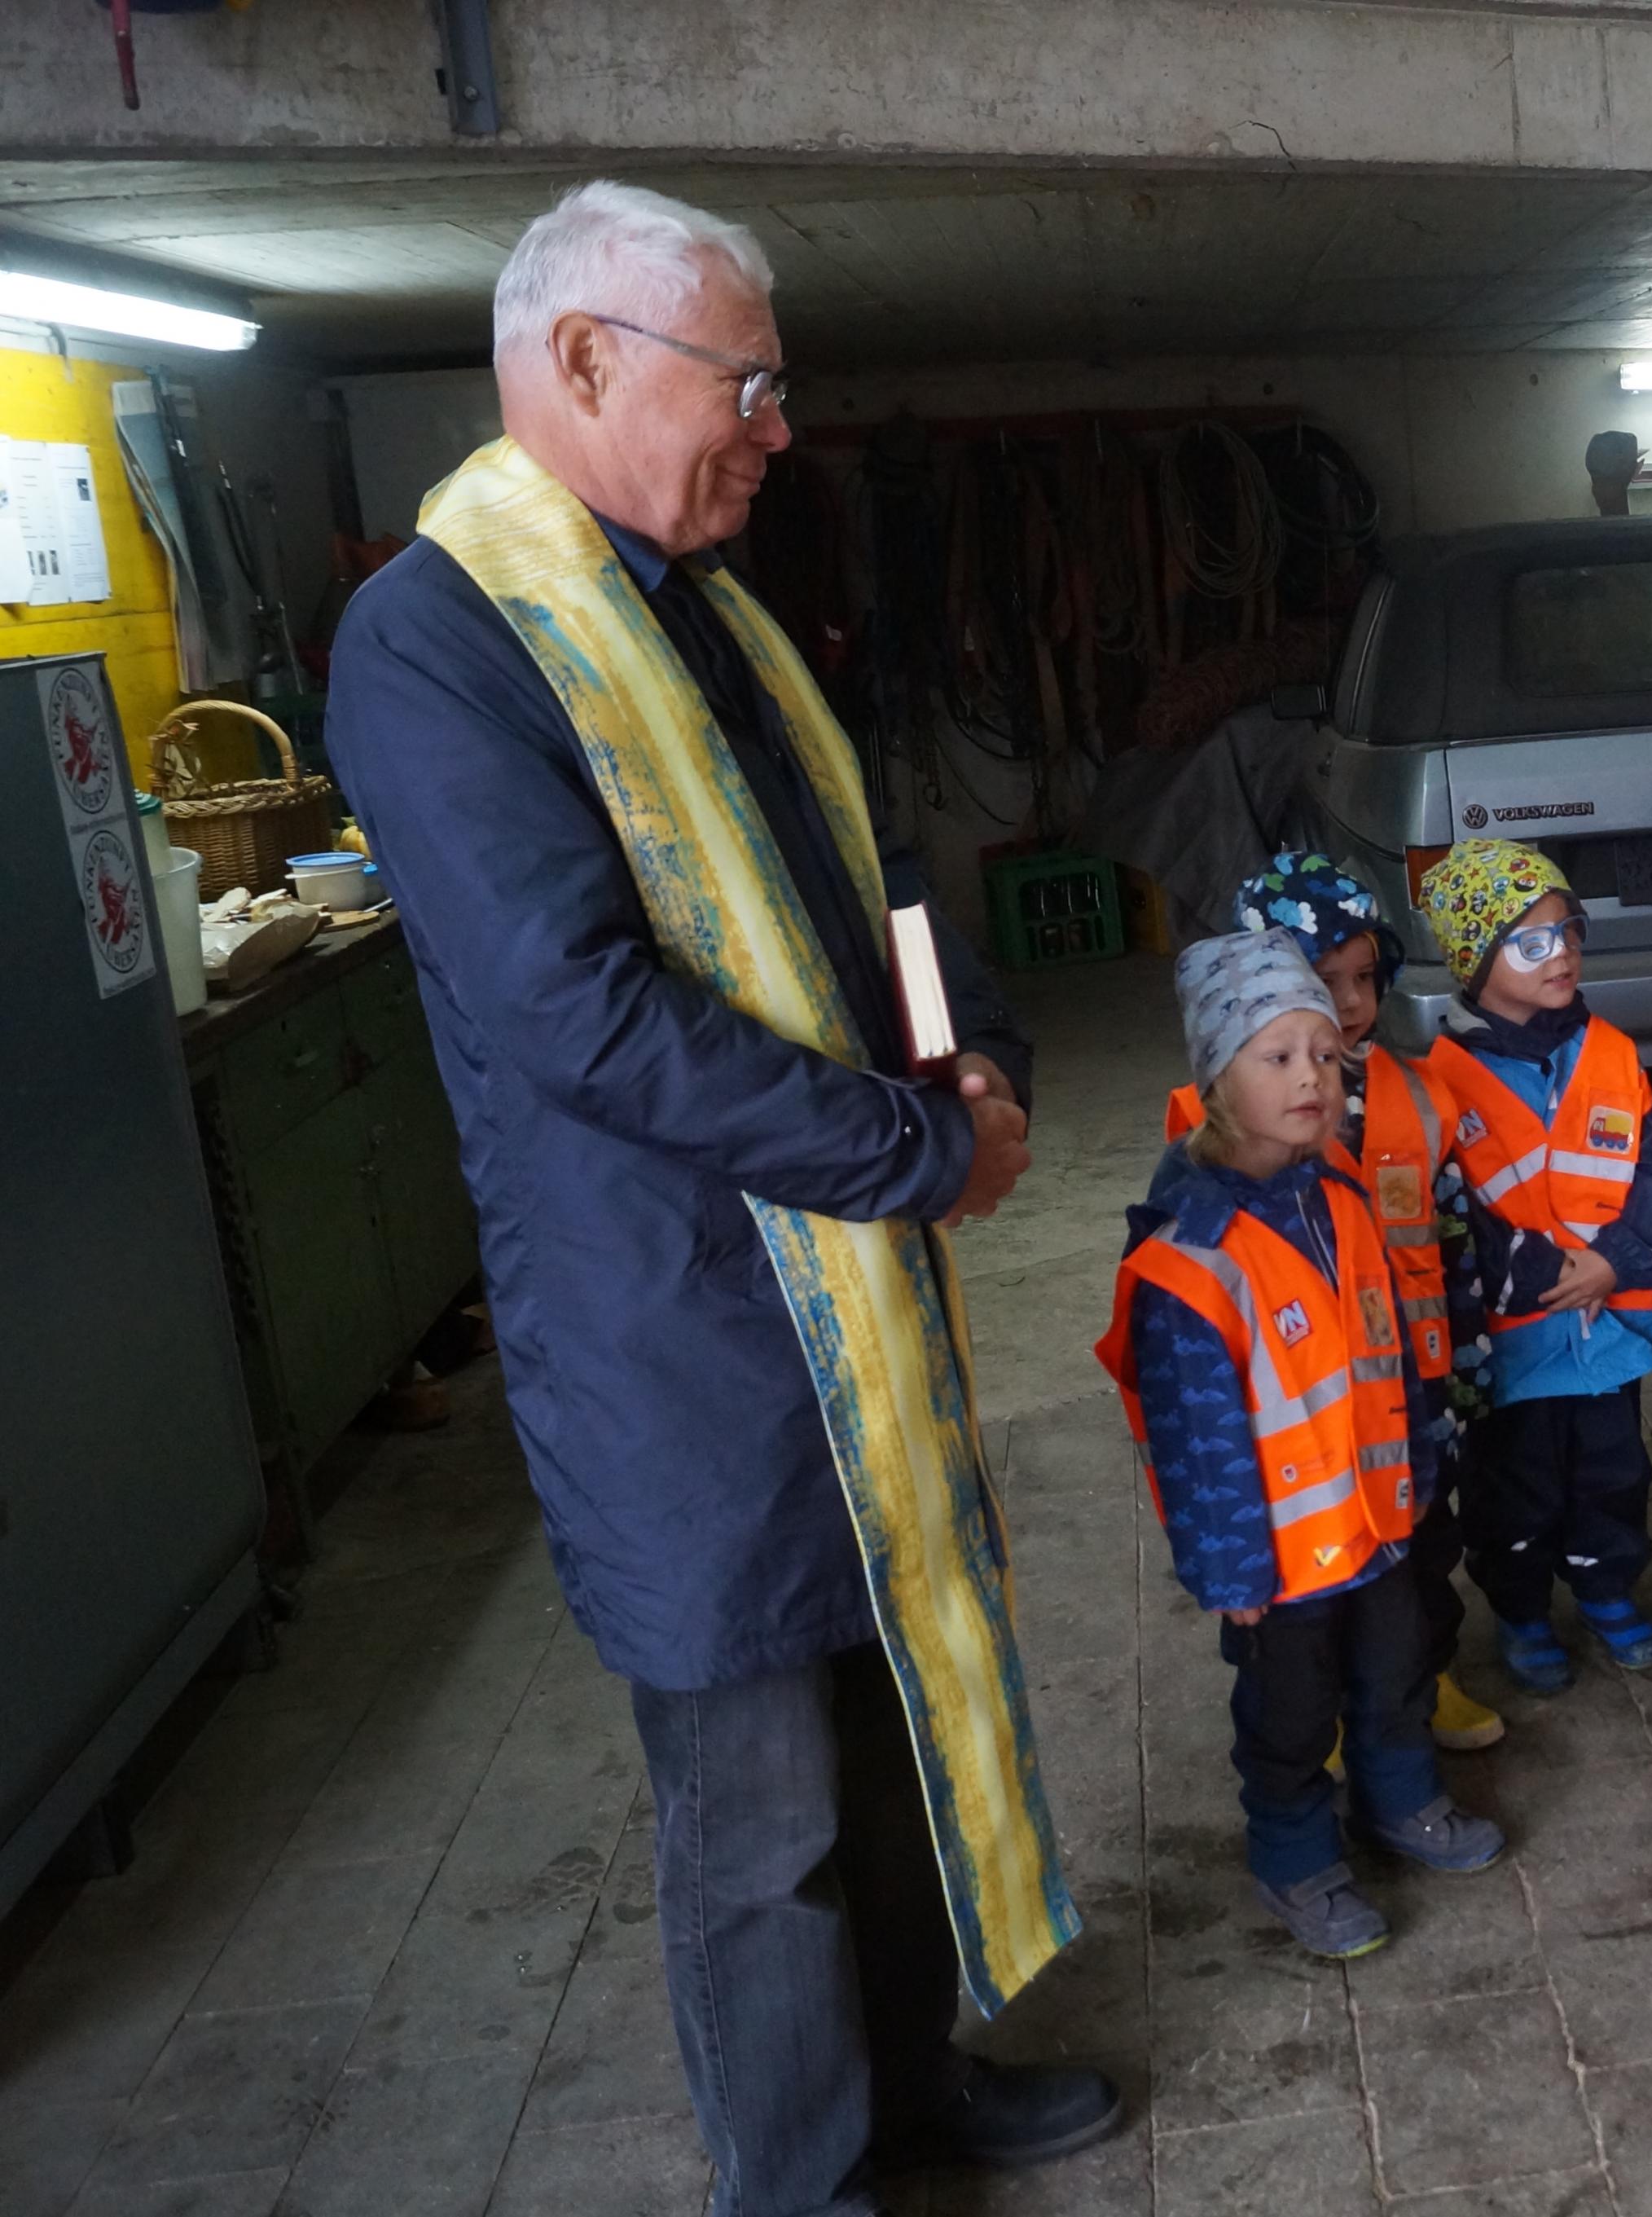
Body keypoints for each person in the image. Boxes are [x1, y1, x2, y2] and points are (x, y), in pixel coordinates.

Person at [325, 180, 1113, 2212]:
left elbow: (879, 871)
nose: (777, 426)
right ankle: (803, 2178)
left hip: (836, 1281)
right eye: (744, 383)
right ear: (584, 360)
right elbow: (576, 1012)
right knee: (758, 1815)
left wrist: (968, 1048)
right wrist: (914, 1151)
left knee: (885, 1723)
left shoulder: (709, 606)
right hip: (677, 1333)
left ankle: (914, 2084)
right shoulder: (439, 642)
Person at [1103, 933, 1507, 1955]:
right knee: (1288, 1716)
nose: (1312, 1079)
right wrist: (1227, 1567)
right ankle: (1294, 1856)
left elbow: (1390, 1354)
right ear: (1215, 1082)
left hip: (1379, 1524)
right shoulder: (1189, 1257)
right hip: (1278, 1561)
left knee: (1396, 1672)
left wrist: (1418, 1471)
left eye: (1324, 1056)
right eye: (1277, 1057)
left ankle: (1399, 1800)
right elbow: (1195, 1438)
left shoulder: (1343, 1200)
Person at [1164, 851, 1506, 1755]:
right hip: (1301, 1410)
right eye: (1326, 979)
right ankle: (1314, 1721)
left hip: (1410, 1388)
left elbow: (1455, 1239)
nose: (1351, 1003)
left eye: (1365, 977)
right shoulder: (1207, 1128)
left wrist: (1468, 1366)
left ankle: (1424, 1681)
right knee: (1302, 1581)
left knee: (1421, 1544)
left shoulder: (1419, 1095)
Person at [1416, 839, 1652, 1692]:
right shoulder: (1440, 1084)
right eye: (1531, 942)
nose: (1561, 953)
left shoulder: (1612, 1052)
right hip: (1514, 1345)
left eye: (1569, 931)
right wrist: (1549, 1275)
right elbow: (1453, 1215)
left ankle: (1607, 1589)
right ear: (1474, 960)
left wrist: (1618, 1260)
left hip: (1609, 1330)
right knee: (1513, 1486)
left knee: (1614, 1471)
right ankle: (1523, 1610)